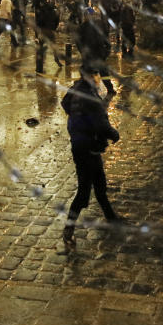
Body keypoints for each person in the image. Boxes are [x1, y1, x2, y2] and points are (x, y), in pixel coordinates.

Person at [60, 62, 121, 250]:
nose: (97, 78)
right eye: (94, 74)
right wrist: (114, 134)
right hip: (86, 146)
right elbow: (101, 124)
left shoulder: (77, 88)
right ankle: (68, 229)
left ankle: (111, 218)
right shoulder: (90, 98)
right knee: (84, 192)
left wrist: (78, 119)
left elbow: (65, 103)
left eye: (98, 74)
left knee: (100, 184)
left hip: (84, 144)